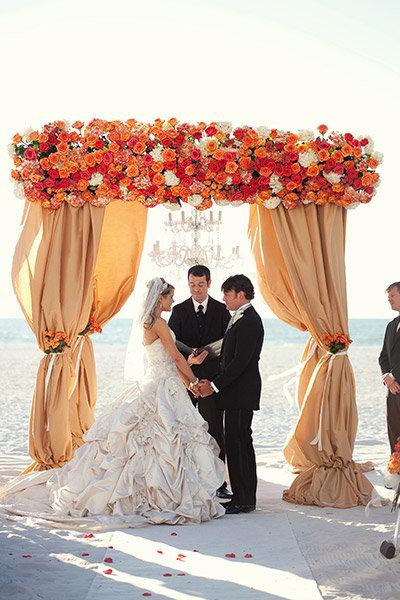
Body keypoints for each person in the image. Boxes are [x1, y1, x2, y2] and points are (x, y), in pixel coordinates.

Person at [0, 277, 225, 528]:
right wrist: (193, 381)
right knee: (162, 438)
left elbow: (169, 361)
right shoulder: (159, 323)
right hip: (162, 385)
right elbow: (175, 358)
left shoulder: (148, 322)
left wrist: (187, 381)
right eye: (170, 297)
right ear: (160, 298)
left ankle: (157, 491)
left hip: (163, 381)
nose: (173, 300)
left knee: (161, 440)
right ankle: (159, 495)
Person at [196, 274, 264, 515]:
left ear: (240, 294)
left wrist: (214, 386)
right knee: (237, 444)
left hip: (241, 393)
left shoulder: (249, 320)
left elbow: (239, 363)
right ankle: (242, 496)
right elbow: (229, 358)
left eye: (227, 294)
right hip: (236, 393)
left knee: (239, 444)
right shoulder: (241, 317)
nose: (224, 298)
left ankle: (244, 500)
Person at [168, 265, 231, 499]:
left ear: (209, 283)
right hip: (185, 380)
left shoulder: (222, 310)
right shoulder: (179, 310)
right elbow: (171, 345)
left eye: (201, 285)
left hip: (211, 382)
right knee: (184, 429)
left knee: (214, 430)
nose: (196, 289)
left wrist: (212, 370)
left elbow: (228, 344)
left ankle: (219, 481)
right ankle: (186, 480)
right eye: (192, 285)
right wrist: (190, 364)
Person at [379, 281, 400, 453]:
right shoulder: (391, 325)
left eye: (392, 295)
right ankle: (396, 464)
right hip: (393, 390)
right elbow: (383, 356)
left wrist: (394, 376)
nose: (389, 299)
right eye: (388, 297)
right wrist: (386, 376)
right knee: (394, 430)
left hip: (396, 382)